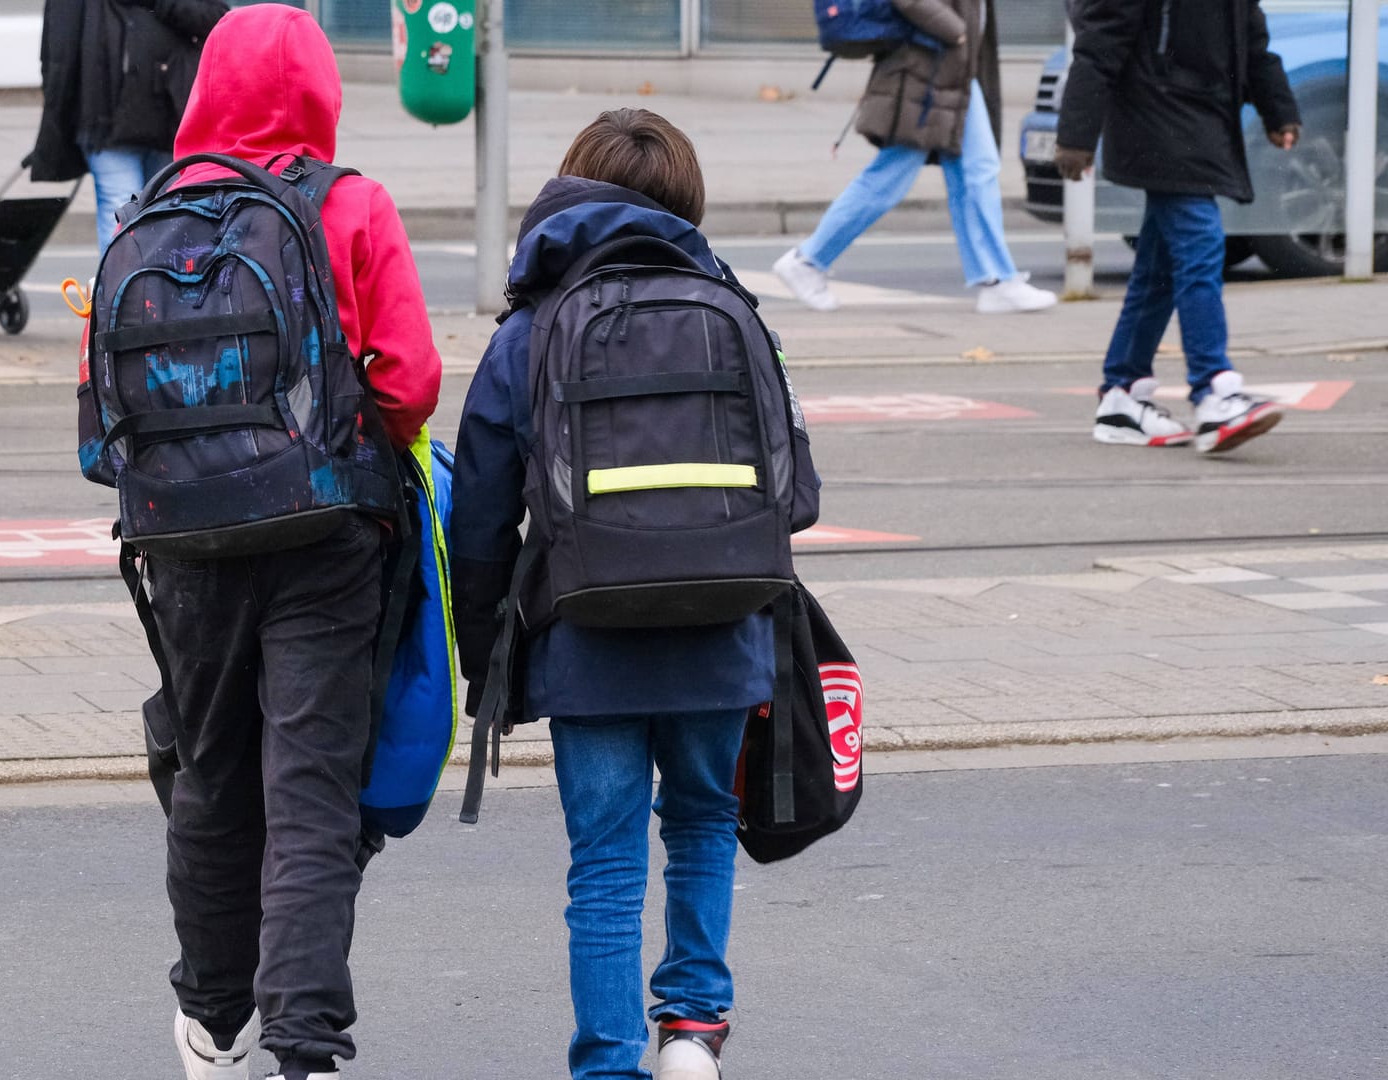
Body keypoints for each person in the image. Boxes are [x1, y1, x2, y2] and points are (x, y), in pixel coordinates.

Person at [451, 110, 816, 1080]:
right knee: (701, 822)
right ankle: (692, 1030)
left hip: (587, 637)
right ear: (686, 204)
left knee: (605, 865)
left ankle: (608, 1063)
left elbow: (479, 520)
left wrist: (485, 660)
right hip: (722, 627)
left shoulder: (530, 332)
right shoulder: (732, 309)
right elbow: (800, 496)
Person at [138, 8, 439, 1080]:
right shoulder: (347, 203)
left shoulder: (153, 213)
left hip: (184, 540)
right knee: (311, 787)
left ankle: (216, 1022)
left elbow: (105, 409)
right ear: (318, 89)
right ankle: (305, 1045)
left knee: (211, 772)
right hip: (325, 535)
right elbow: (410, 383)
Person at [1055, 0, 1299, 453]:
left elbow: (1251, 37)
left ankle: (1122, 396)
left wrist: (1277, 106)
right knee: (1200, 245)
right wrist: (1076, 134)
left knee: (1160, 270)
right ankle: (1214, 391)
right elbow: (1099, 42)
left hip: (1202, 116)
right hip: (1154, 112)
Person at [772, 0, 1057, 315]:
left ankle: (996, 280)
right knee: (891, 175)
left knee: (976, 170)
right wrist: (955, 29)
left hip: (948, 68)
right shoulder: (946, 37)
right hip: (926, 66)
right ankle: (807, 260)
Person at [30, 0, 230, 254]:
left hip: (167, 118)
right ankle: (120, 289)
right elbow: (58, 49)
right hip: (106, 123)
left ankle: (156, 288)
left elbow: (213, 19)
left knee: (165, 214)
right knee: (123, 213)